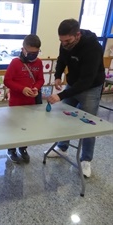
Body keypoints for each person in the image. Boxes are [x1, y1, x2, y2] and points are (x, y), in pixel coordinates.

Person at [46, 18, 105, 178]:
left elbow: (86, 80)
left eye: (67, 40)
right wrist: (58, 76)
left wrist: (61, 95)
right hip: (73, 84)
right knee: (65, 117)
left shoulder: (93, 47)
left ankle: (86, 159)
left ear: (77, 35)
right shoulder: (65, 44)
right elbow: (61, 59)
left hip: (91, 87)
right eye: (61, 41)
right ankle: (62, 147)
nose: (64, 44)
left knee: (88, 124)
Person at [4, 34, 44, 163]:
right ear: (23, 50)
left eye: (36, 52)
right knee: (13, 127)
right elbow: (7, 81)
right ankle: (11, 149)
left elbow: (40, 79)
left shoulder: (39, 62)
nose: (33, 55)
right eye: (30, 52)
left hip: (30, 103)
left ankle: (23, 148)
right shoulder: (15, 62)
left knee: (26, 127)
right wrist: (22, 89)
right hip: (16, 103)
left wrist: (36, 88)